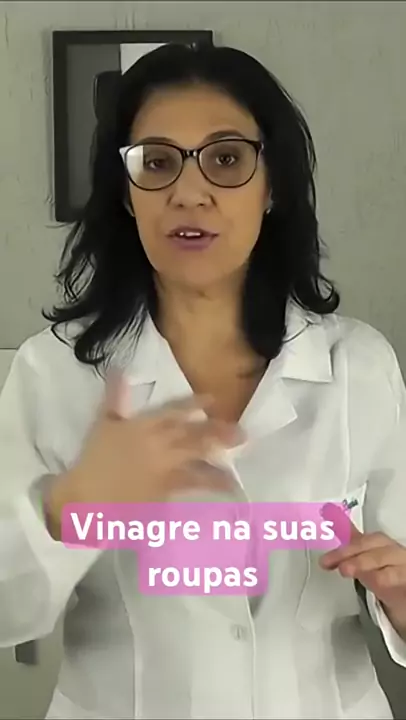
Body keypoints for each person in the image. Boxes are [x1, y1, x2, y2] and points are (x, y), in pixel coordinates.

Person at [0, 42, 405, 720]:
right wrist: (70, 506)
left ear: (272, 187)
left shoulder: (358, 367)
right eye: (157, 162)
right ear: (126, 193)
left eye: (226, 159)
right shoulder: (54, 373)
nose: (189, 193)